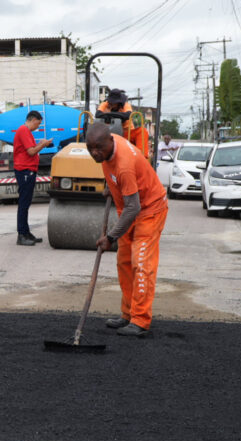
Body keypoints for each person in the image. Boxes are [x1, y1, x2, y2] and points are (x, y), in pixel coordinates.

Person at [86, 122, 168, 337]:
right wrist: (112, 188)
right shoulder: (107, 151)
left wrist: (110, 237)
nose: (95, 153)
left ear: (110, 141)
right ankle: (128, 313)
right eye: (90, 148)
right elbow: (116, 176)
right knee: (124, 262)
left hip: (149, 210)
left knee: (140, 263)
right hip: (130, 209)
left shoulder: (124, 164)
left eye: (99, 148)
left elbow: (134, 207)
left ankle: (140, 320)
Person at [13, 110, 53, 246]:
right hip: (24, 170)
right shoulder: (23, 130)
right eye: (38, 123)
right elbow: (31, 152)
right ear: (33, 119)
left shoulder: (26, 132)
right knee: (24, 203)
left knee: (26, 203)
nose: (38, 126)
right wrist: (42, 144)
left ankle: (26, 232)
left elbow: (31, 149)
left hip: (27, 170)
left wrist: (42, 143)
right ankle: (21, 234)